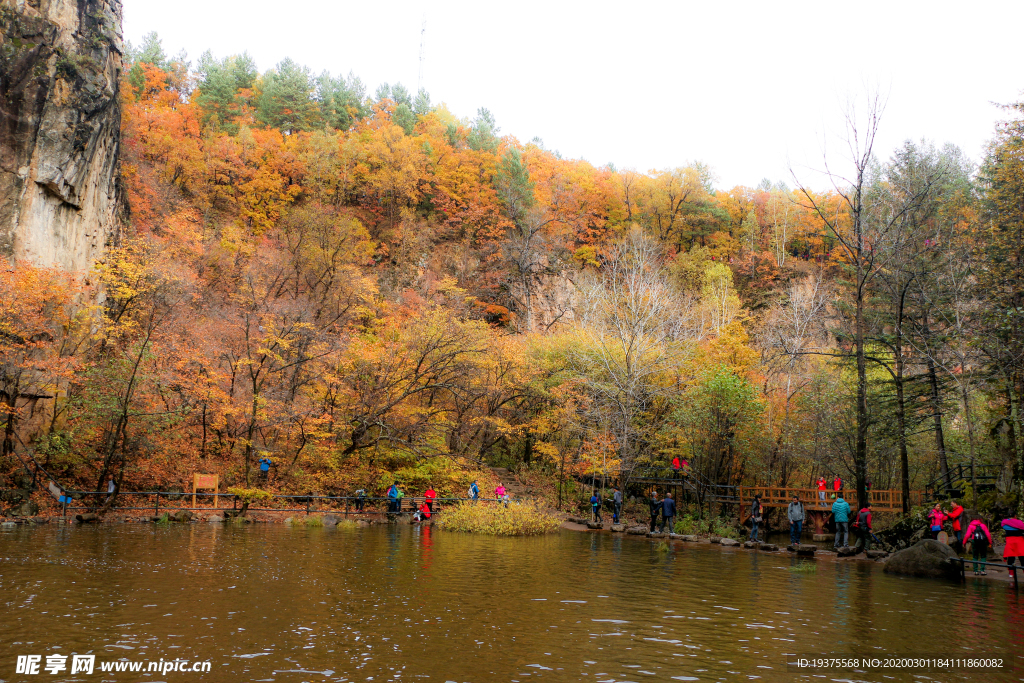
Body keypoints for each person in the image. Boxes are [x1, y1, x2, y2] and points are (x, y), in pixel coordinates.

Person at [1001, 517, 1024, 581]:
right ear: (1015, 516)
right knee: (1022, 557)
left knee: (1010, 557)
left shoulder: (1004, 523)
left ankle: (1011, 573)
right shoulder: (1019, 523)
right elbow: (1022, 529)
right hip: (1019, 541)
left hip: (1010, 541)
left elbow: (1004, 527)